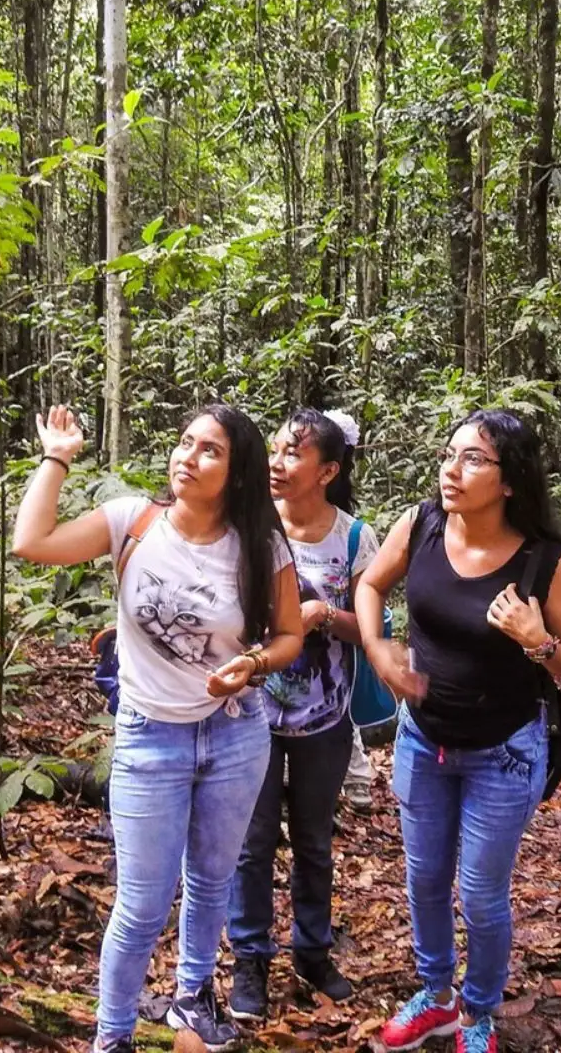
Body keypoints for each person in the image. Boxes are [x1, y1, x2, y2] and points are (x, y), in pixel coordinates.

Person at [11, 404, 303, 1053]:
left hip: (235, 733)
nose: (187, 457)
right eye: (184, 443)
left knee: (211, 879)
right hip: (149, 738)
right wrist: (57, 456)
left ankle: (192, 998)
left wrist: (253, 662)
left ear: (237, 472)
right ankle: (111, 1038)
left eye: (209, 451)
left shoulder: (261, 542)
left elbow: (288, 636)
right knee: (142, 904)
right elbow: (30, 543)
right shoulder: (131, 522)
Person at [355, 410, 561, 1053]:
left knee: (481, 892)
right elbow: (371, 585)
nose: (451, 470)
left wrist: (537, 641)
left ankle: (479, 1009)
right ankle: (435, 997)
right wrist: (380, 652)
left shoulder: (546, 562)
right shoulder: (422, 523)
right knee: (425, 877)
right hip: (421, 739)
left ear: (509, 480)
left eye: (472, 460)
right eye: (450, 454)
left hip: (505, 751)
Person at [227, 408, 378, 1019]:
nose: (277, 464)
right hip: (249, 716)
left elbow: (370, 629)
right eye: (276, 451)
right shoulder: (248, 529)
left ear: (328, 470)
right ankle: (249, 961)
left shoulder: (352, 538)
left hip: (325, 721)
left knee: (315, 841)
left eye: (293, 454)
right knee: (252, 842)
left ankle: (312, 952)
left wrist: (323, 618)